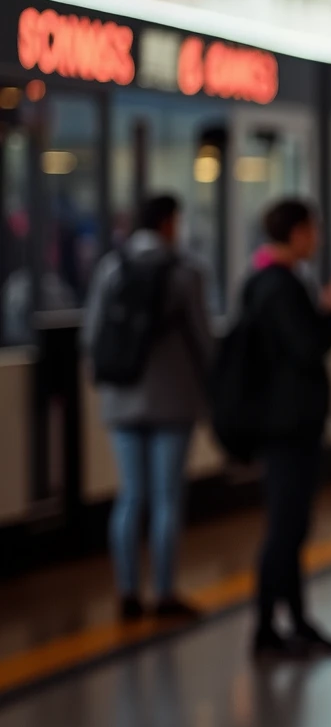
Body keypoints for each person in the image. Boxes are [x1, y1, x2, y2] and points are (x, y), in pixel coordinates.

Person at [82, 194, 213, 621]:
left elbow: (91, 335)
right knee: (166, 499)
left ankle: (126, 593)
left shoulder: (111, 268)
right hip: (172, 400)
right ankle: (164, 593)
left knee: (130, 496)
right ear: (168, 223)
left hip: (121, 399)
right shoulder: (186, 272)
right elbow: (203, 340)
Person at [239, 198, 331, 657]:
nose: (317, 238)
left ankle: (294, 620)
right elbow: (307, 347)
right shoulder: (280, 285)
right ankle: (269, 627)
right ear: (297, 232)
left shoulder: (262, 281)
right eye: (313, 228)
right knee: (286, 527)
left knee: (291, 525)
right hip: (289, 425)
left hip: (281, 422)